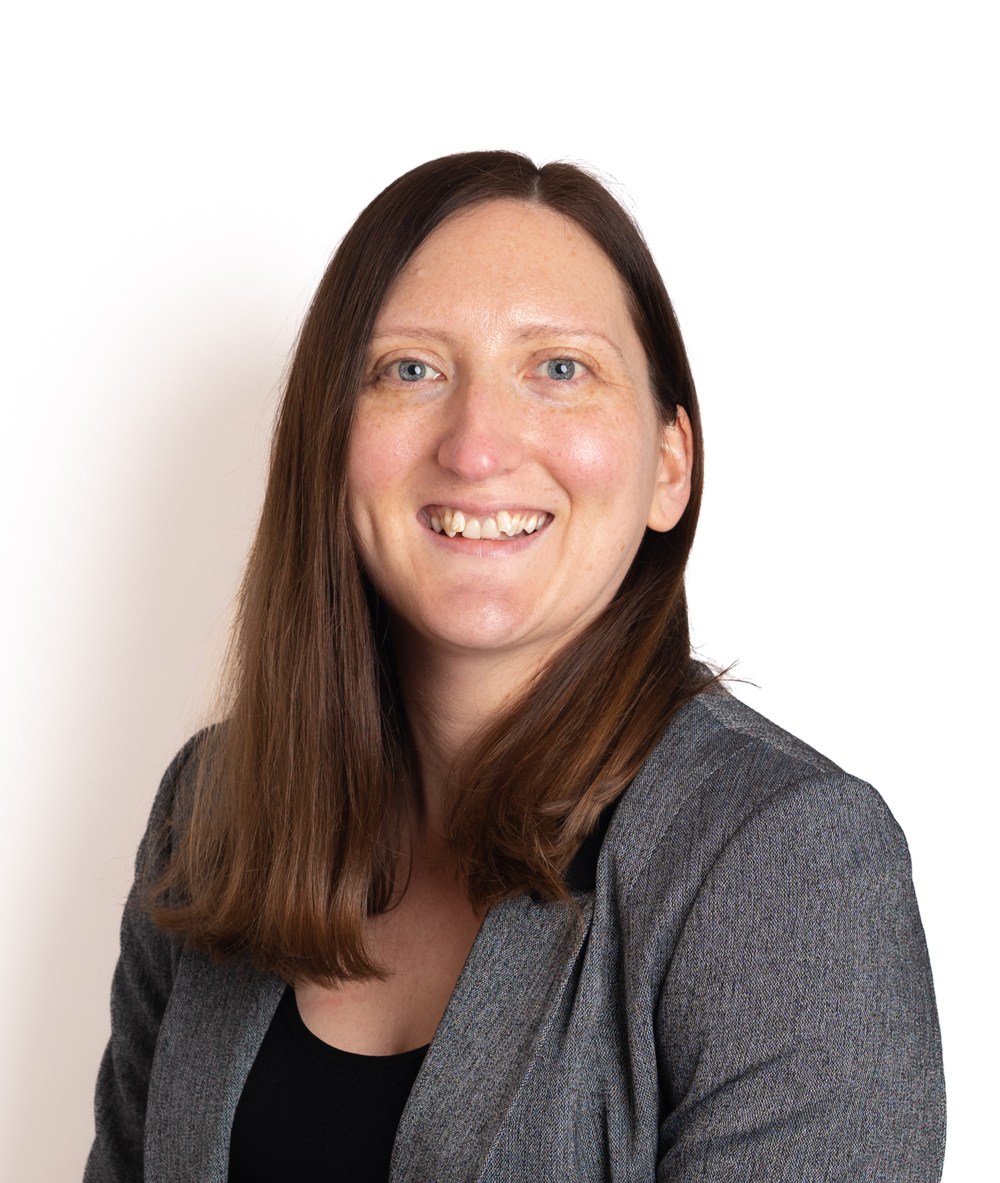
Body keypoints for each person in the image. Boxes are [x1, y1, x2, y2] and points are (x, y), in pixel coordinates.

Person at [85, 151, 945, 1183]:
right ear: (328, 441)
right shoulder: (213, 809)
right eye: (409, 369)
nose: (478, 442)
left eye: (560, 369)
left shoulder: (779, 864)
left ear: (670, 464)